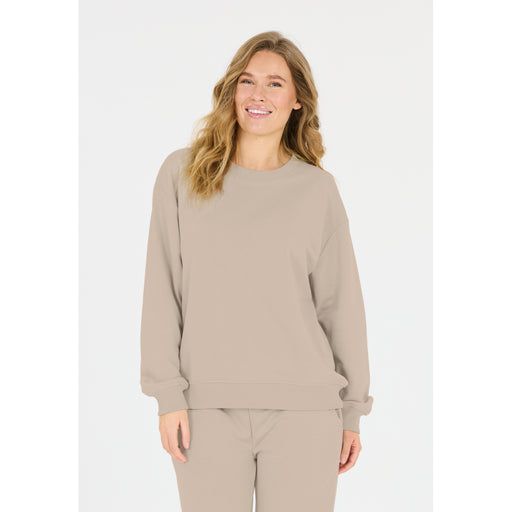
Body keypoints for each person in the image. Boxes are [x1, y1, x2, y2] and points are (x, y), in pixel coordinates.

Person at [140, 31, 373, 512]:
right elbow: (162, 291)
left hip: (306, 411)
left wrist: (352, 410)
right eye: (247, 81)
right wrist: (167, 394)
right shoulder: (182, 175)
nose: (257, 95)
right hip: (204, 409)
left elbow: (340, 307)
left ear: (297, 100)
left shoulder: (317, 190)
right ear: (231, 90)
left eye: (274, 83)